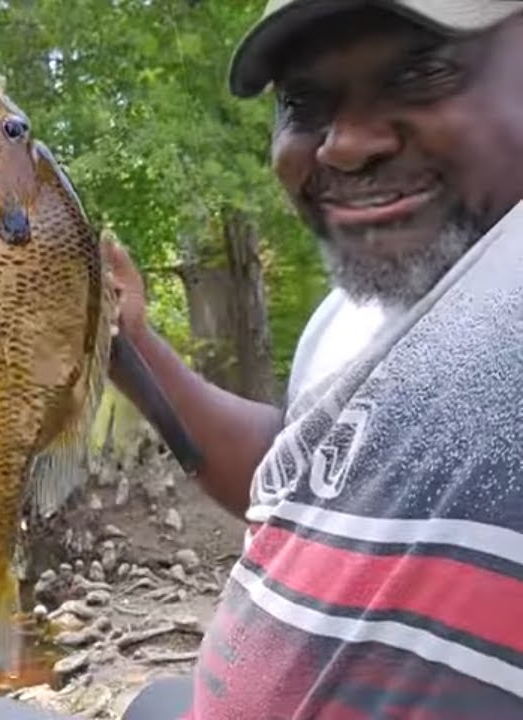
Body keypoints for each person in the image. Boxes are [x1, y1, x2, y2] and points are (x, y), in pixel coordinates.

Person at [106, 0, 523, 718]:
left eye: (422, 72)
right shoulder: (346, 319)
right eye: (304, 102)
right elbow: (296, 480)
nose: (345, 145)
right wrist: (126, 343)